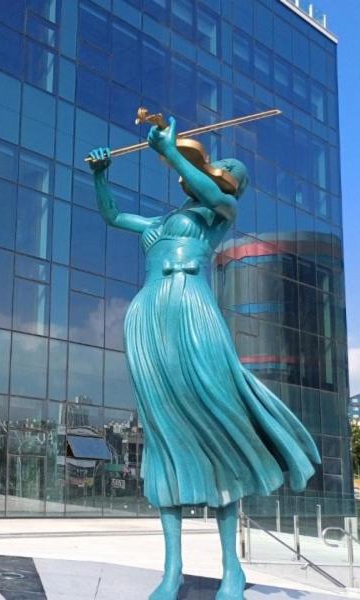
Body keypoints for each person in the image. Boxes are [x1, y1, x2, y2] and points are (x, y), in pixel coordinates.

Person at [87, 118, 320, 600]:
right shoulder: (157, 223)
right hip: (149, 313)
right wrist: (101, 176)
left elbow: (211, 192)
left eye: (226, 169)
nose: (218, 169)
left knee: (217, 424)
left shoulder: (221, 211)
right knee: (163, 436)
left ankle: (231, 568)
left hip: (192, 307)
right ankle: (172, 570)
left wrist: (171, 152)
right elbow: (112, 216)